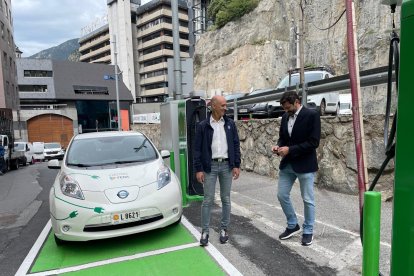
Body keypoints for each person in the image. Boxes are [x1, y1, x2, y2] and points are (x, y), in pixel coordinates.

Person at [271, 91, 321, 246]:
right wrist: (278, 146)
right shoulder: (285, 116)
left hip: (305, 164)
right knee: (281, 195)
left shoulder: (312, 115)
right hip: (288, 164)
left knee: (308, 199)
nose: (286, 111)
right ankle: (293, 225)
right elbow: (283, 137)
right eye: (284, 108)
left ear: (297, 102)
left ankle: (308, 231)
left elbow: (314, 142)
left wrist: (290, 150)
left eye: (288, 108)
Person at [194, 95, 241, 246]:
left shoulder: (230, 124)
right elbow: (197, 150)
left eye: (226, 105)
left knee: (226, 199)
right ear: (213, 106)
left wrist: (236, 165)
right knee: (207, 200)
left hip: (227, 166)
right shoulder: (203, 126)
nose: (225, 108)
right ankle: (205, 231)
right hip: (210, 167)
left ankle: (224, 229)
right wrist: (198, 169)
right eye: (222, 105)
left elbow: (235, 145)